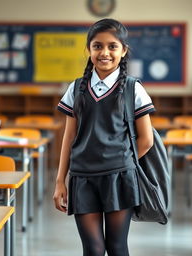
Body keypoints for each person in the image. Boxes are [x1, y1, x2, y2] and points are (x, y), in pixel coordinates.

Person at [53, 18, 155, 256]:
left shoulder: (133, 88)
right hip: (82, 178)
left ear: (123, 51)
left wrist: (122, 164)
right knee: (93, 249)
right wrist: (60, 181)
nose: (105, 52)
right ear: (89, 50)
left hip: (119, 178)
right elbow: (69, 137)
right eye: (97, 46)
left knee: (117, 247)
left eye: (112, 46)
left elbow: (146, 139)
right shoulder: (76, 88)